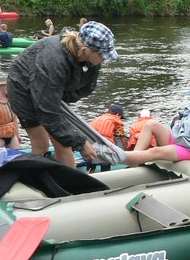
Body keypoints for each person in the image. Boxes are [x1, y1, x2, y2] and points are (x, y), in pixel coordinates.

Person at [7, 21, 119, 167]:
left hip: (49, 89)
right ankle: (44, 179)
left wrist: (59, 97)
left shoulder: (91, 60)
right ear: (87, 50)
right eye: (103, 55)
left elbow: (87, 87)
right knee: (45, 144)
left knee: (62, 140)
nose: (105, 60)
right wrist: (80, 142)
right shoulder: (53, 61)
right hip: (22, 88)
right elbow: (48, 113)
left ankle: (62, 177)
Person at [116, 73, 190, 169]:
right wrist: (175, 121)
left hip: (189, 149)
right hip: (177, 138)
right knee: (151, 124)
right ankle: (134, 163)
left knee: (155, 151)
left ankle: (119, 157)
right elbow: (181, 115)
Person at [87, 104, 128, 172]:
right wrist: (127, 154)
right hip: (104, 148)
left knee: (91, 165)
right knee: (105, 165)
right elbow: (123, 140)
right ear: (118, 114)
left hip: (91, 146)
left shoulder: (98, 119)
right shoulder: (116, 122)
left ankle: (89, 174)